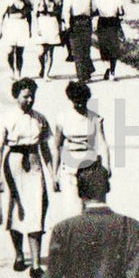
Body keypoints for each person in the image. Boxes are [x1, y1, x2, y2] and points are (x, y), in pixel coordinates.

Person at [0, 77, 57, 278]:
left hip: (34, 163)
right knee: (15, 210)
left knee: (37, 209)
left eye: (32, 96)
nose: (29, 100)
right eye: (25, 96)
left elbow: (45, 148)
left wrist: (53, 174)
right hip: (13, 165)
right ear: (16, 96)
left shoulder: (39, 118)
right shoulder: (6, 118)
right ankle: (19, 255)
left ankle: (36, 264)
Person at [50, 81, 110, 224]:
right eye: (76, 101)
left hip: (91, 168)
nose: (80, 104)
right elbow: (57, 146)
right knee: (72, 210)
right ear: (71, 99)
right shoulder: (62, 118)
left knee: (91, 209)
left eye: (83, 100)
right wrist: (54, 173)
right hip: (69, 168)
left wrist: (107, 167)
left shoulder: (95, 118)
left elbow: (102, 143)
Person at [61, 0, 96, 83]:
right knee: (86, 48)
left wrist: (66, 24)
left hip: (74, 21)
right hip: (86, 21)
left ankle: (82, 76)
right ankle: (87, 73)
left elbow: (66, 10)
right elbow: (94, 9)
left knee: (77, 50)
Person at [92, 0, 125, 80]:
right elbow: (121, 12)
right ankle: (112, 71)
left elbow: (94, 11)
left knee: (104, 45)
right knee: (114, 46)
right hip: (113, 22)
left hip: (102, 22)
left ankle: (107, 67)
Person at [0, 0, 33, 77]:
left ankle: (19, 72)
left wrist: (30, 30)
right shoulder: (9, 1)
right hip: (11, 26)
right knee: (10, 51)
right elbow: (2, 16)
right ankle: (12, 70)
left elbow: (29, 18)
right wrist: (0, 30)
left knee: (19, 52)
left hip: (22, 26)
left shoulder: (26, 2)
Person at [33, 0, 63, 79]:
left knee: (50, 52)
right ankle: (42, 67)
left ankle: (46, 74)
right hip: (42, 23)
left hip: (52, 23)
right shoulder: (38, 0)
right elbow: (34, 15)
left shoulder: (54, 0)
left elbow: (58, 14)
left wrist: (60, 27)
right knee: (41, 52)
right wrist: (37, 27)